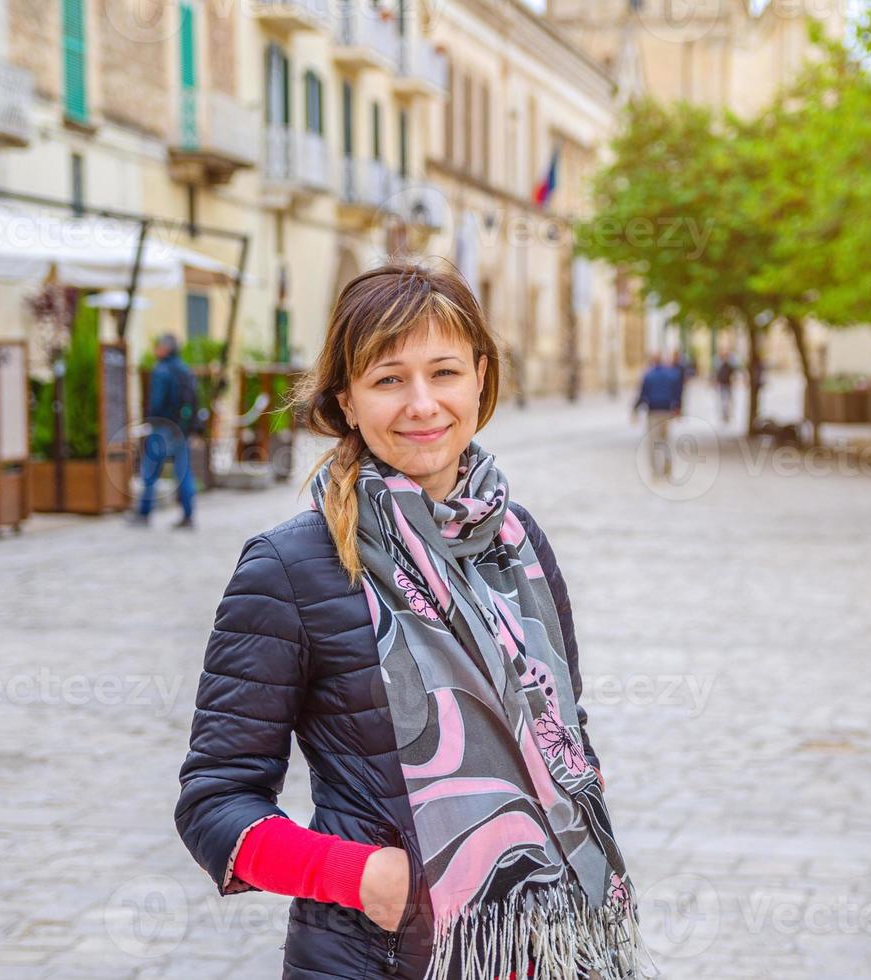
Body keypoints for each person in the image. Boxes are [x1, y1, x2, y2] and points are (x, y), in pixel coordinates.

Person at [174, 262, 651, 980]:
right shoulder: (290, 567)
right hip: (382, 959)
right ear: (348, 398)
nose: (423, 404)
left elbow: (565, 721)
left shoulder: (518, 544)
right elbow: (215, 800)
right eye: (389, 379)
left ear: (481, 379)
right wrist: (361, 876)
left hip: (554, 953)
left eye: (445, 372)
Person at [129, 333, 197, 529]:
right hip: (181, 429)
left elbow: (156, 403)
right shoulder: (185, 369)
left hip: (162, 428)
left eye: (158, 346)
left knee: (149, 471)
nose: (155, 349)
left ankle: (143, 513)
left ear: (165, 348)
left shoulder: (161, 371)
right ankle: (188, 514)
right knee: (183, 472)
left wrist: (150, 419)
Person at [631, 350, 684, 480]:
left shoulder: (648, 375)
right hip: (667, 411)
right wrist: (678, 408)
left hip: (653, 412)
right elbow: (678, 393)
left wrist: (635, 410)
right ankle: (667, 465)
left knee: (653, 443)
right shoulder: (672, 375)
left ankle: (655, 471)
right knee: (666, 440)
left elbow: (642, 394)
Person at [714, 348, 740, 426]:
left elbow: (734, 373)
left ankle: (727, 414)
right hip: (723, 385)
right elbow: (718, 375)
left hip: (728, 384)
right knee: (724, 400)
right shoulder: (721, 365)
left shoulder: (729, 365)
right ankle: (725, 414)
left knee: (729, 400)